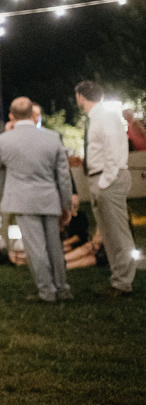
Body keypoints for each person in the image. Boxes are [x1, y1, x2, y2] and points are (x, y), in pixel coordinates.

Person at [0, 97, 73, 302]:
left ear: (11, 116)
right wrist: (66, 204)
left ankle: (46, 292)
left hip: (23, 201)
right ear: (32, 114)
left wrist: (7, 133)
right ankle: (62, 288)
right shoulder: (53, 138)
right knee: (55, 246)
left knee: (36, 248)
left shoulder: (3, 140)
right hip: (49, 199)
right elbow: (63, 176)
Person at [76, 80, 135, 297]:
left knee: (117, 233)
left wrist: (105, 181)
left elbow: (113, 150)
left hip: (107, 179)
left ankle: (123, 283)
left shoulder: (105, 116)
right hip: (100, 179)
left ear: (81, 97)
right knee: (108, 234)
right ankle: (118, 279)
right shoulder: (98, 118)